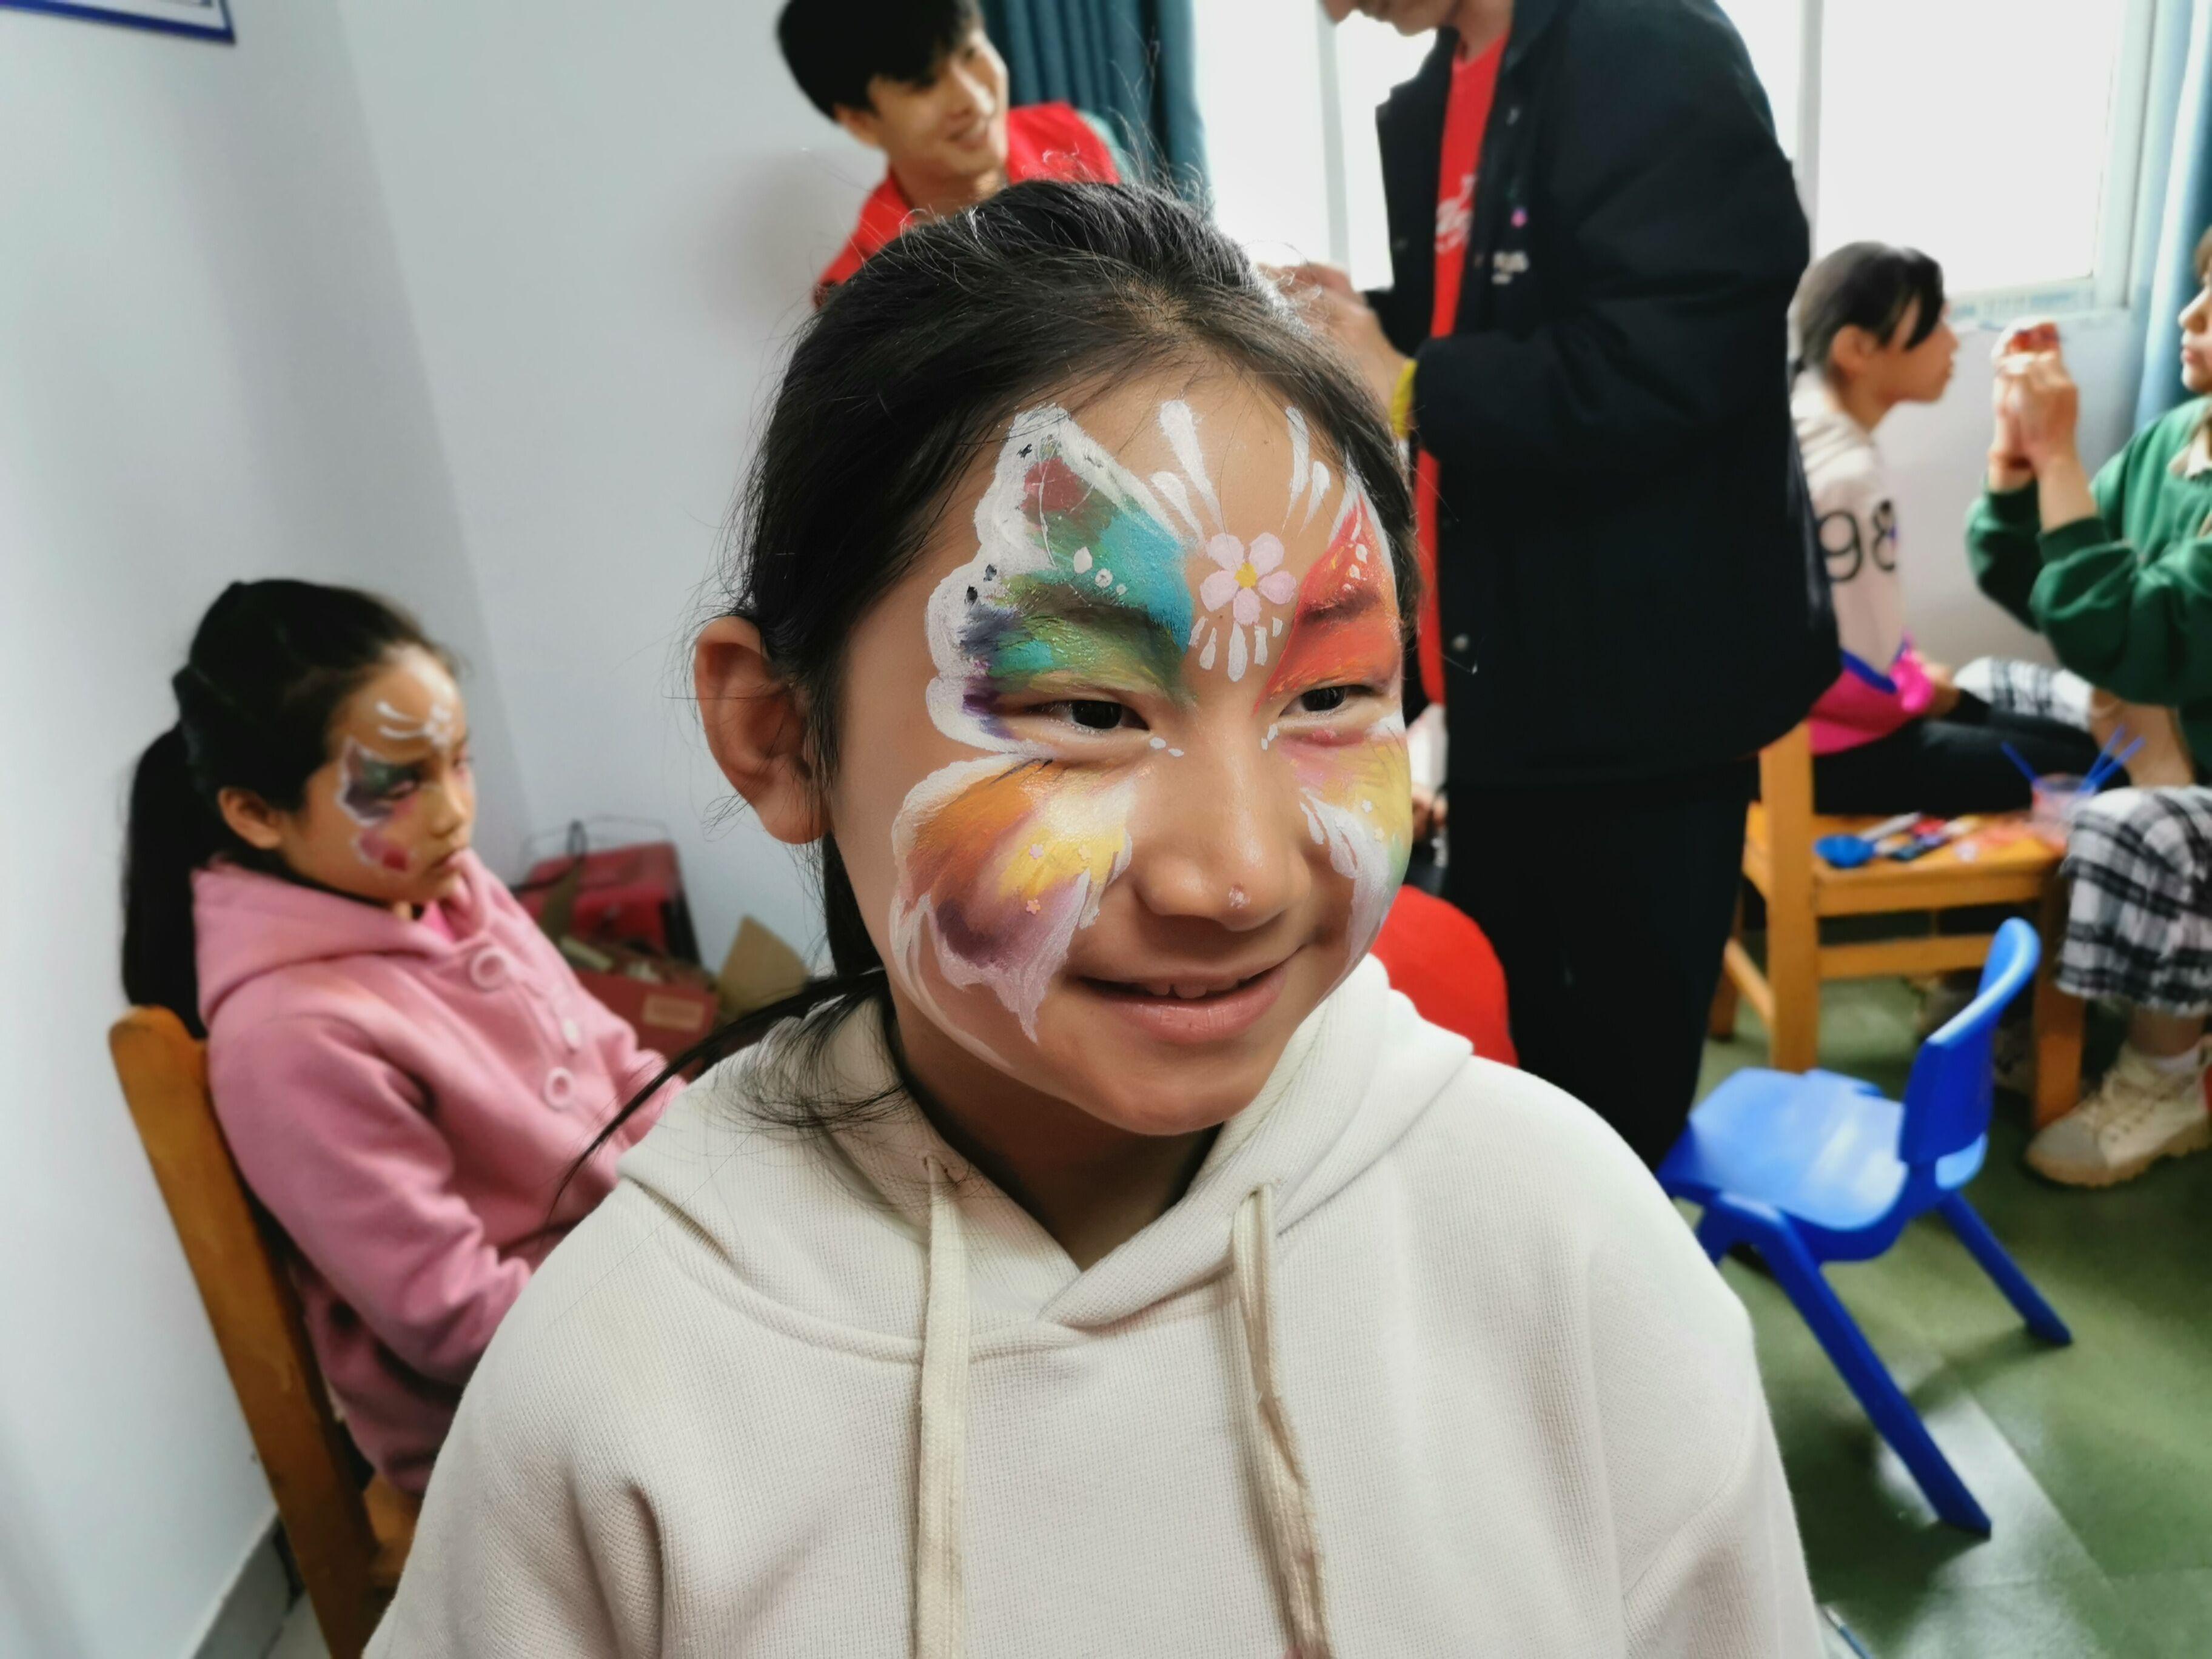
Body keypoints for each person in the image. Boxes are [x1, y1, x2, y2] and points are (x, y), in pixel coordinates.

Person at [369, 183, 1823, 1657]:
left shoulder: (1571, 1251)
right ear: (780, 734)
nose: (1239, 875)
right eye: (1083, 709)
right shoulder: (610, 1395)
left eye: (1331, 696)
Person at [1294, 0, 1835, 1167]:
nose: (1333, 10)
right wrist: (1360, 329)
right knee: (1510, 1076)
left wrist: (1407, 380)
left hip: (1637, 704)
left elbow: (1683, 356)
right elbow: (1494, 324)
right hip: (1504, 682)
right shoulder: (1445, 88)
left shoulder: (1646, 40)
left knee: (1608, 1118)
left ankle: (1612, 1278)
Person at [121, 581, 676, 1496]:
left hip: (634, 1292)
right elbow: (459, 1322)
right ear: (257, 814)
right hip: (514, 1427)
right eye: (397, 784)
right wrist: (681, 1292)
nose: (453, 812)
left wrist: (729, 1177)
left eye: (459, 761)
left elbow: (622, 1068)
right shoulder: (291, 1036)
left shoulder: (451, 890)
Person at [1966, 235, 2212, 1188]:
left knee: (2139, 823)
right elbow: (2055, 589)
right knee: (1985, 689)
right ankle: (2027, 988)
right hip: (2158, 727)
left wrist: (2061, 450)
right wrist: (2016, 460)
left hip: (2190, 763)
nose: (2191, 317)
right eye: (2200, 290)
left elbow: (2132, 632)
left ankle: (2169, 1077)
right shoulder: (2174, 439)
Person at [1792, 243, 2100, 813]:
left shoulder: (1802, 428)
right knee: (2103, 772)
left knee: (2083, 743)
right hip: (1838, 749)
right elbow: (1853, 665)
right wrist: (1921, 691)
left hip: (1822, 730)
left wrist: (1917, 682)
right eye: (1934, 324)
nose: (1953, 342)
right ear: (1857, 349)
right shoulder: (1847, 477)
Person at [779, 0, 1122, 303]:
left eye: (971, 53)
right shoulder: (856, 287)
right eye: (925, 84)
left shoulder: (1081, 136)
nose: (971, 100)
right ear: (861, 122)